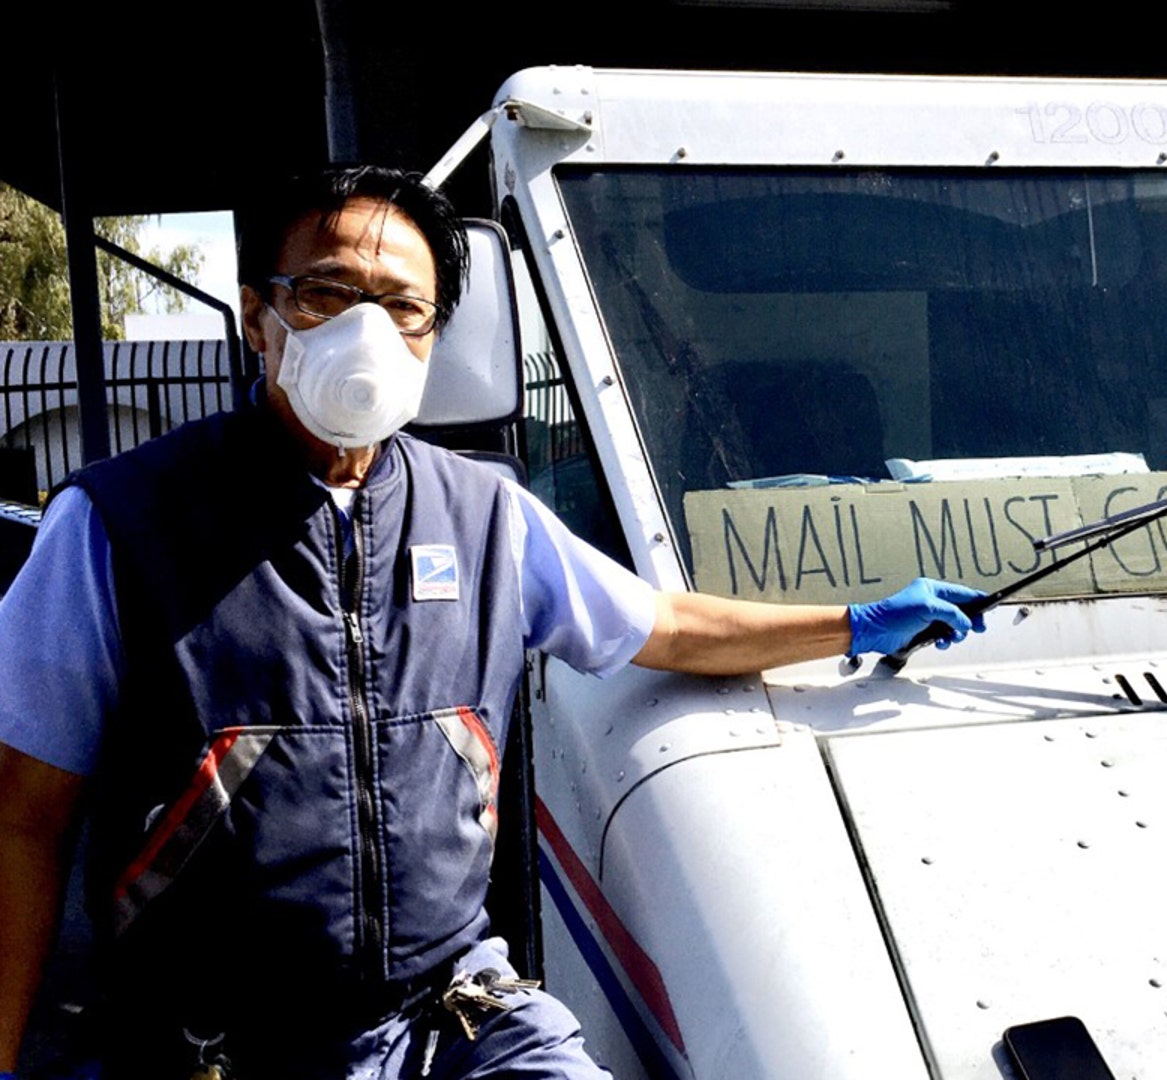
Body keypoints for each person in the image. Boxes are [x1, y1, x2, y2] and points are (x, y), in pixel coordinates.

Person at [0, 165, 986, 1079]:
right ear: (259, 317)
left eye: (404, 308)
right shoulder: (116, 524)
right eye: (327, 293)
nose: (366, 333)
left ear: (433, 337)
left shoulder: (485, 515)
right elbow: (23, 818)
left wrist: (854, 624)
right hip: (219, 1039)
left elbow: (666, 628)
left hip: (454, 1011)